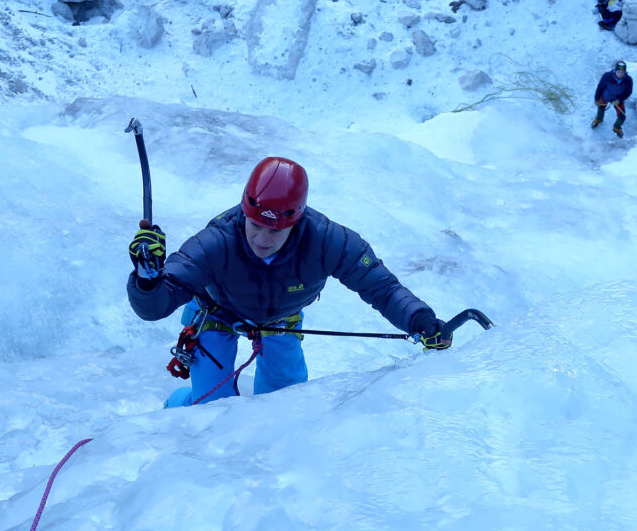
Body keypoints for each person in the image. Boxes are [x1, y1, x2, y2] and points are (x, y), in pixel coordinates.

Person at [127, 156, 450, 408]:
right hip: (215, 315)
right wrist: (147, 279)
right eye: (255, 225)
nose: (262, 239)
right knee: (208, 405)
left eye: (275, 231)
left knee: (286, 402)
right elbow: (155, 307)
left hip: (281, 318)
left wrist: (418, 319)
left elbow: (380, 287)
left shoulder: (328, 241)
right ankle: (177, 404)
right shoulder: (216, 241)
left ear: (295, 221)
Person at [591, 60, 633, 138]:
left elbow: (628, 92)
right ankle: (598, 119)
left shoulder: (628, 80)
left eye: (622, 72)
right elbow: (600, 87)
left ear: (625, 72)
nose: (620, 74)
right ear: (615, 71)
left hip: (618, 99)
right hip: (606, 96)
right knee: (601, 108)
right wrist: (596, 98)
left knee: (622, 116)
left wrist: (619, 100)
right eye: (619, 72)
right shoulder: (607, 76)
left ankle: (617, 127)